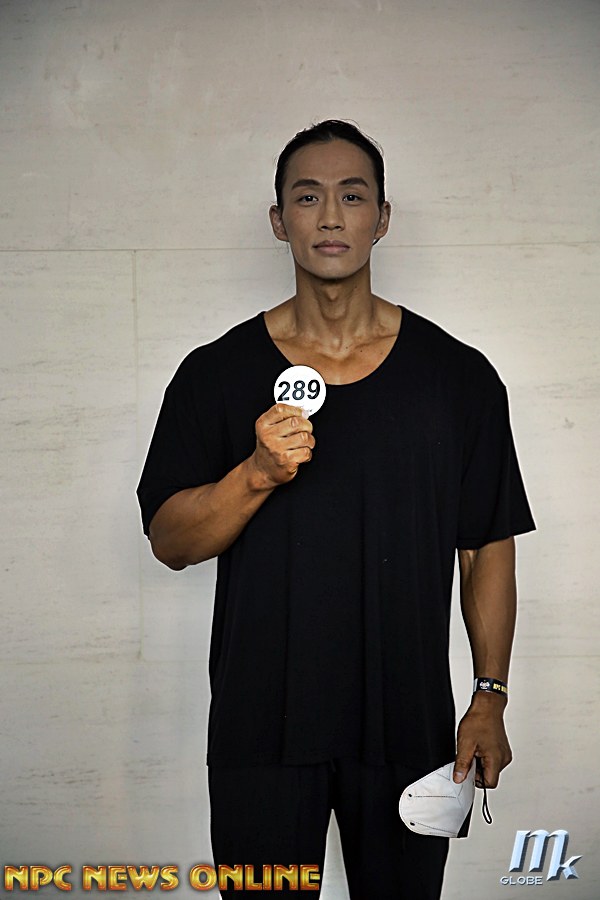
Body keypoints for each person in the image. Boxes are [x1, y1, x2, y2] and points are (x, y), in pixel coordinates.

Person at [137, 120, 535, 899]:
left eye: (352, 197)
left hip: (408, 725)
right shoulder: (215, 374)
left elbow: (486, 544)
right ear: (278, 219)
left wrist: (489, 697)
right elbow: (170, 541)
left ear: (381, 218)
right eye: (307, 197)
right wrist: (255, 473)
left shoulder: (458, 378)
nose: (329, 216)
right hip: (260, 726)